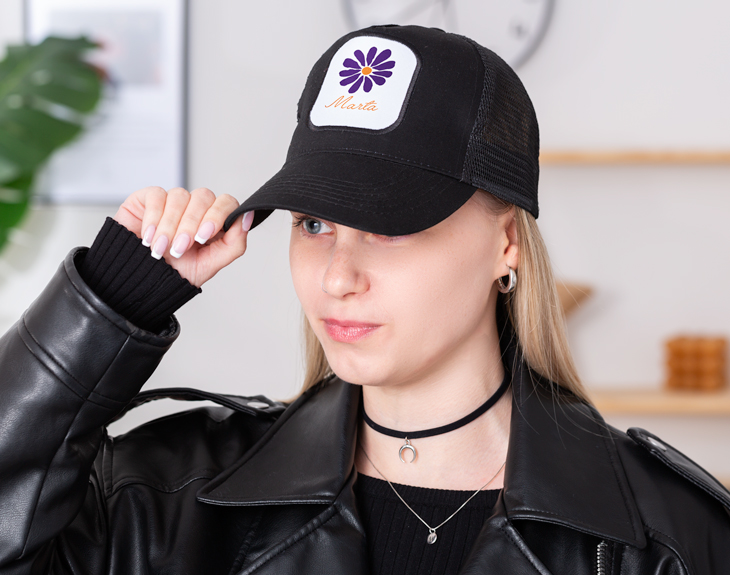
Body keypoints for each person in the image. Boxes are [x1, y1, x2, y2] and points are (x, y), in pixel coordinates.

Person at [0, 24, 728, 575]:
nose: (337, 277)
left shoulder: (664, 537)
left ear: (506, 242)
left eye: (389, 226)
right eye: (314, 225)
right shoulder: (165, 497)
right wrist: (111, 298)